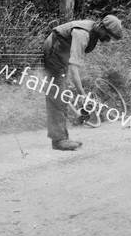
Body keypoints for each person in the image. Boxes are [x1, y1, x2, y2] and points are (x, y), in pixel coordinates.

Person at [42, 15, 123, 151]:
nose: (108, 40)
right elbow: (74, 68)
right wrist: (82, 95)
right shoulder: (83, 34)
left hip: (60, 55)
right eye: (108, 36)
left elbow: (75, 60)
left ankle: (61, 136)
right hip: (53, 52)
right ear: (102, 27)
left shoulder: (93, 31)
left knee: (61, 93)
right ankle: (59, 140)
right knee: (57, 95)